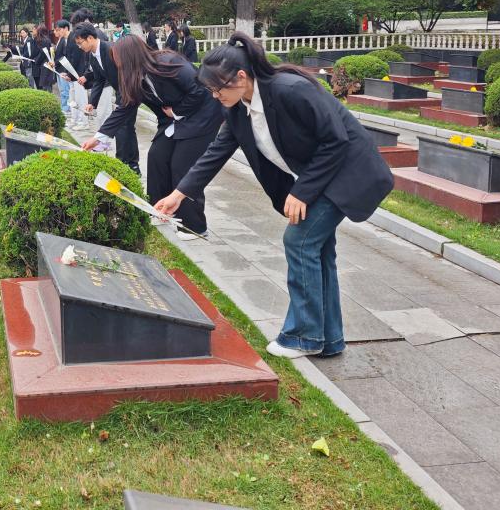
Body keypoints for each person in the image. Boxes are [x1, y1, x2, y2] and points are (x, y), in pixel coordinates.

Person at [154, 32, 394, 359]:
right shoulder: (237, 109)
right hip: (320, 177)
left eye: (217, 89)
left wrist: (302, 192)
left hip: (348, 172)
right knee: (319, 250)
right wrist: (179, 195)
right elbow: (215, 153)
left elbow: (336, 140)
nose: (214, 96)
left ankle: (303, 336)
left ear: (241, 77)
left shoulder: (289, 90)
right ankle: (328, 339)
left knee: (300, 241)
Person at [81, 35, 223, 240]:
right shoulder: (135, 77)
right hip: (173, 119)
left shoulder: (169, 63)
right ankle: (160, 210)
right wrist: (99, 137)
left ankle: (194, 226)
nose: (118, 66)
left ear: (131, 58)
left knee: (182, 165)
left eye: (119, 62)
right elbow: (125, 107)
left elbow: (200, 90)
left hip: (201, 116)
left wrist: (176, 111)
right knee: (157, 156)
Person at [72, 22, 139, 172]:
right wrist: (92, 103)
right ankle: (131, 164)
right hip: (121, 92)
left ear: (90, 38)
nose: (79, 47)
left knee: (123, 127)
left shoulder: (111, 50)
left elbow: (127, 74)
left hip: (129, 91)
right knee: (126, 127)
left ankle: (126, 163)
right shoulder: (92, 56)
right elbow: (99, 80)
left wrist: (124, 97)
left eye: (80, 43)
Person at [31, 24, 57, 91]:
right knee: (47, 85)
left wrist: (36, 60)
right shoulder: (47, 39)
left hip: (45, 64)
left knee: (46, 86)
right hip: (47, 63)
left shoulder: (43, 40)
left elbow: (42, 53)